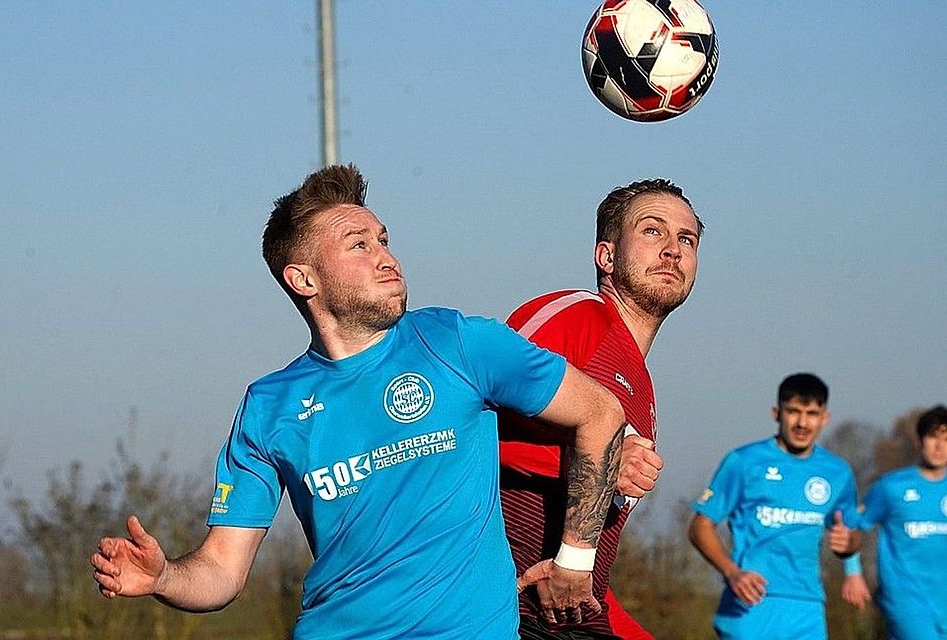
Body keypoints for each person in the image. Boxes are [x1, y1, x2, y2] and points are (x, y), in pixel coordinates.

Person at [90, 164, 629, 640]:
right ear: (303, 279)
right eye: (359, 245)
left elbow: (601, 413)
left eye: (384, 239)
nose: (387, 258)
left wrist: (575, 560)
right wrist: (163, 577)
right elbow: (221, 571)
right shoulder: (268, 406)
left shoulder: (458, 342)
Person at [499, 178, 703, 640]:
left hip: (570, 619)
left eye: (686, 239)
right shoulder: (576, 315)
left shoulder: (642, 386)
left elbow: (591, 573)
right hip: (506, 613)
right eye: (653, 231)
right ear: (606, 256)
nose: (673, 249)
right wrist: (600, 453)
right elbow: (467, 423)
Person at [688, 373, 861, 640]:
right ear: (776, 413)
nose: (803, 423)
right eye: (793, 412)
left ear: (825, 418)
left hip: (808, 608)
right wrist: (732, 572)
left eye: (812, 414)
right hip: (750, 603)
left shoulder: (837, 472)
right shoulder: (744, 461)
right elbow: (700, 526)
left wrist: (849, 545)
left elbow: (852, 535)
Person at [840, 404, 947, 639]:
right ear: (920, 441)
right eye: (933, 437)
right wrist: (853, 572)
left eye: (946, 439)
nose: (940, 446)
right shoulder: (892, 487)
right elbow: (850, 522)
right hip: (906, 599)